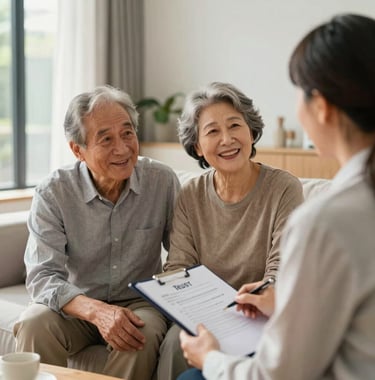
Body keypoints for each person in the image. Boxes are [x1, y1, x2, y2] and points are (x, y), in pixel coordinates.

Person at [177, 13, 375, 379]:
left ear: (322, 107)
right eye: (212, 131)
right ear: (198, 147)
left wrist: (210, 359)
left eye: (298, 91)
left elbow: (277, 374)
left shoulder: (325, 222)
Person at [14, 85, 181, 380]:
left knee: (138, 335)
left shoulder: (161, 181)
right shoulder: (54, 191)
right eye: (106, 139)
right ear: (78, 150)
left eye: (127, 133)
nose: (122, 148)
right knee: (34, 322)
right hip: (76, 303)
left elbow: (182, 255)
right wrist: (97, 312)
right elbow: (42, 276)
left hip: (138, 302)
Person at [157, 82, 303, 379]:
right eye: (212, 131)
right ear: (197, 146)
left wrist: (262, 296)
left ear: (251, 131)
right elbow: (178, 268)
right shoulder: (190, 194)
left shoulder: (284, 188)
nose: (227, 139)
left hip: (259, 314)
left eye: (235, 125)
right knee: (175, 340)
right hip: (204, 316)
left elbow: (280, 269)